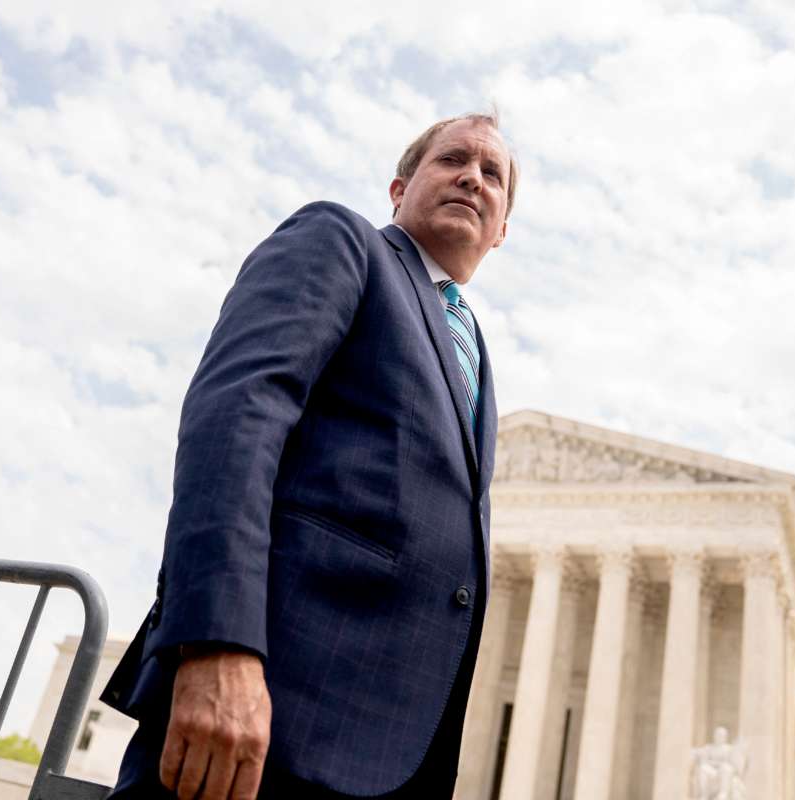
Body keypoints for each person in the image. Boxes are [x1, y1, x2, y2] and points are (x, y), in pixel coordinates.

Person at [99, 110, 518, 799]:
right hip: (264, 720)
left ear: (501, 230)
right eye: (453, 161)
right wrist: (216, 644)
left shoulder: (473, 354)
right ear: (398, 187)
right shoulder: (342, 243)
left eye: (493, 174)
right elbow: (234, 423)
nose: (473, 177)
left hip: (387, 757)